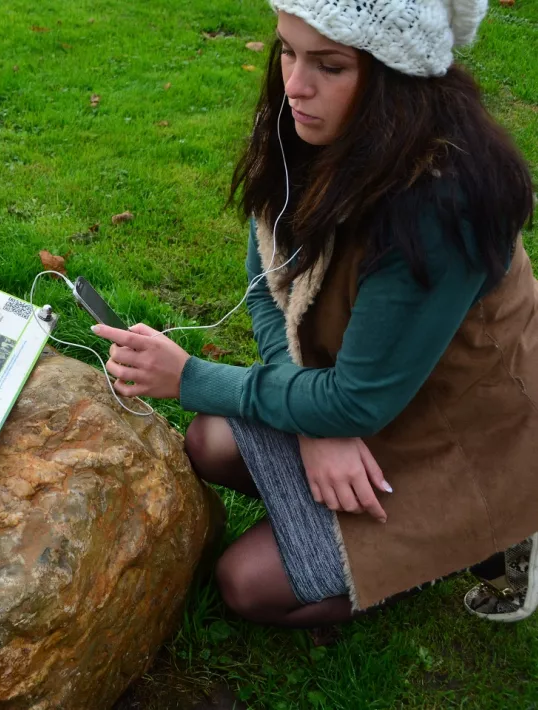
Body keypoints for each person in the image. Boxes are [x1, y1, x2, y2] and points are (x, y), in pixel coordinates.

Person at [93, 0, 538, 627]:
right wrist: (315, 423)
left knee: (247, 584)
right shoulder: (305, 130)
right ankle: (355, 508)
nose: (294, 87)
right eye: (287, 51)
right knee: (208, 442)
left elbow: (359, 402)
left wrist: (192, 378)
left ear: (396, 80)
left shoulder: (441, 203)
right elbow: (268, 286)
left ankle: (490, 531)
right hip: (368, 392)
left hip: (460, 427)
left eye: (330, 65)